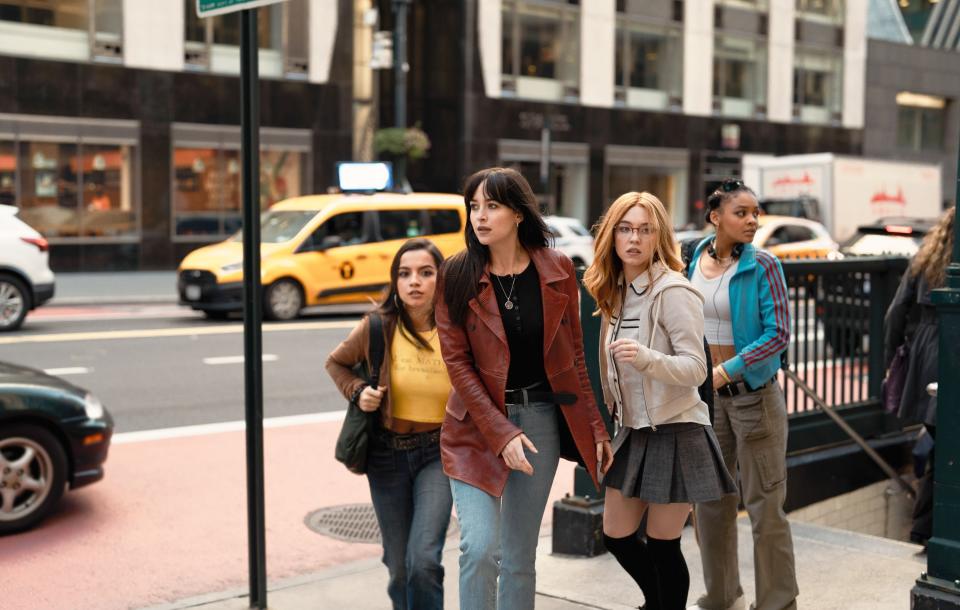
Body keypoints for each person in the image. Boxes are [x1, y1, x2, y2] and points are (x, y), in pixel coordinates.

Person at [436, 167, 613, 610]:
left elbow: (575, 357)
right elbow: (457, 364)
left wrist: (595, 427)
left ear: (517, 213)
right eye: (474, 206)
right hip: (475, 429)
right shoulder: (456, 274)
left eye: (491, 206)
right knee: (479, 550)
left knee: (518, 556)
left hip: (539, 423)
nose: (480, 216)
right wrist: (501, 433)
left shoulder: (555, 268)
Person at [584, 191, 736, 610]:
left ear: (659, 237)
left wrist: (646, 359)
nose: (634, 238)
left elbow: (695, 369)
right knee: (616, 534)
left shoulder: (674, 291)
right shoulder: (614, 292)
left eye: (645, 229)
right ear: (612, 235)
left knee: (664, 544)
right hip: (634, 430)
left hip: (678, 429)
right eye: (626, 228)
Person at [687, 179, 798, 610]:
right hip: (707, 399)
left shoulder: (764, 265)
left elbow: (778, 335)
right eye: (742, 213)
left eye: (756, 212)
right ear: (716, 217)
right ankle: (720, 594)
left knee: (765, 507)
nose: (752, 220)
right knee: (710, 503)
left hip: (754, 397)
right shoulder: (694, 256)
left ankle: (777, 602)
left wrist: (726, 369)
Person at [325, 238, 452, 610]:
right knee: (398, 567)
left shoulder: (457, 329)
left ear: (440, 280)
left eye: (426, 273)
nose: (414, 281)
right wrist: (358, 390)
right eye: (405, 273)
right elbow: (336, 363)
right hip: (386, 457)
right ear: (395, 281)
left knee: (424, 562)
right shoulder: (377, 327)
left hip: (438, 455)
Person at [884, 206, 954, 546]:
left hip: (926, 354)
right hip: (948, 352)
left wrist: (891, 359)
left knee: (941, 442)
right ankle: (929, 531)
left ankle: (924, 530)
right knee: (946, 447)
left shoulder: (928, 257)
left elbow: (896, 312)